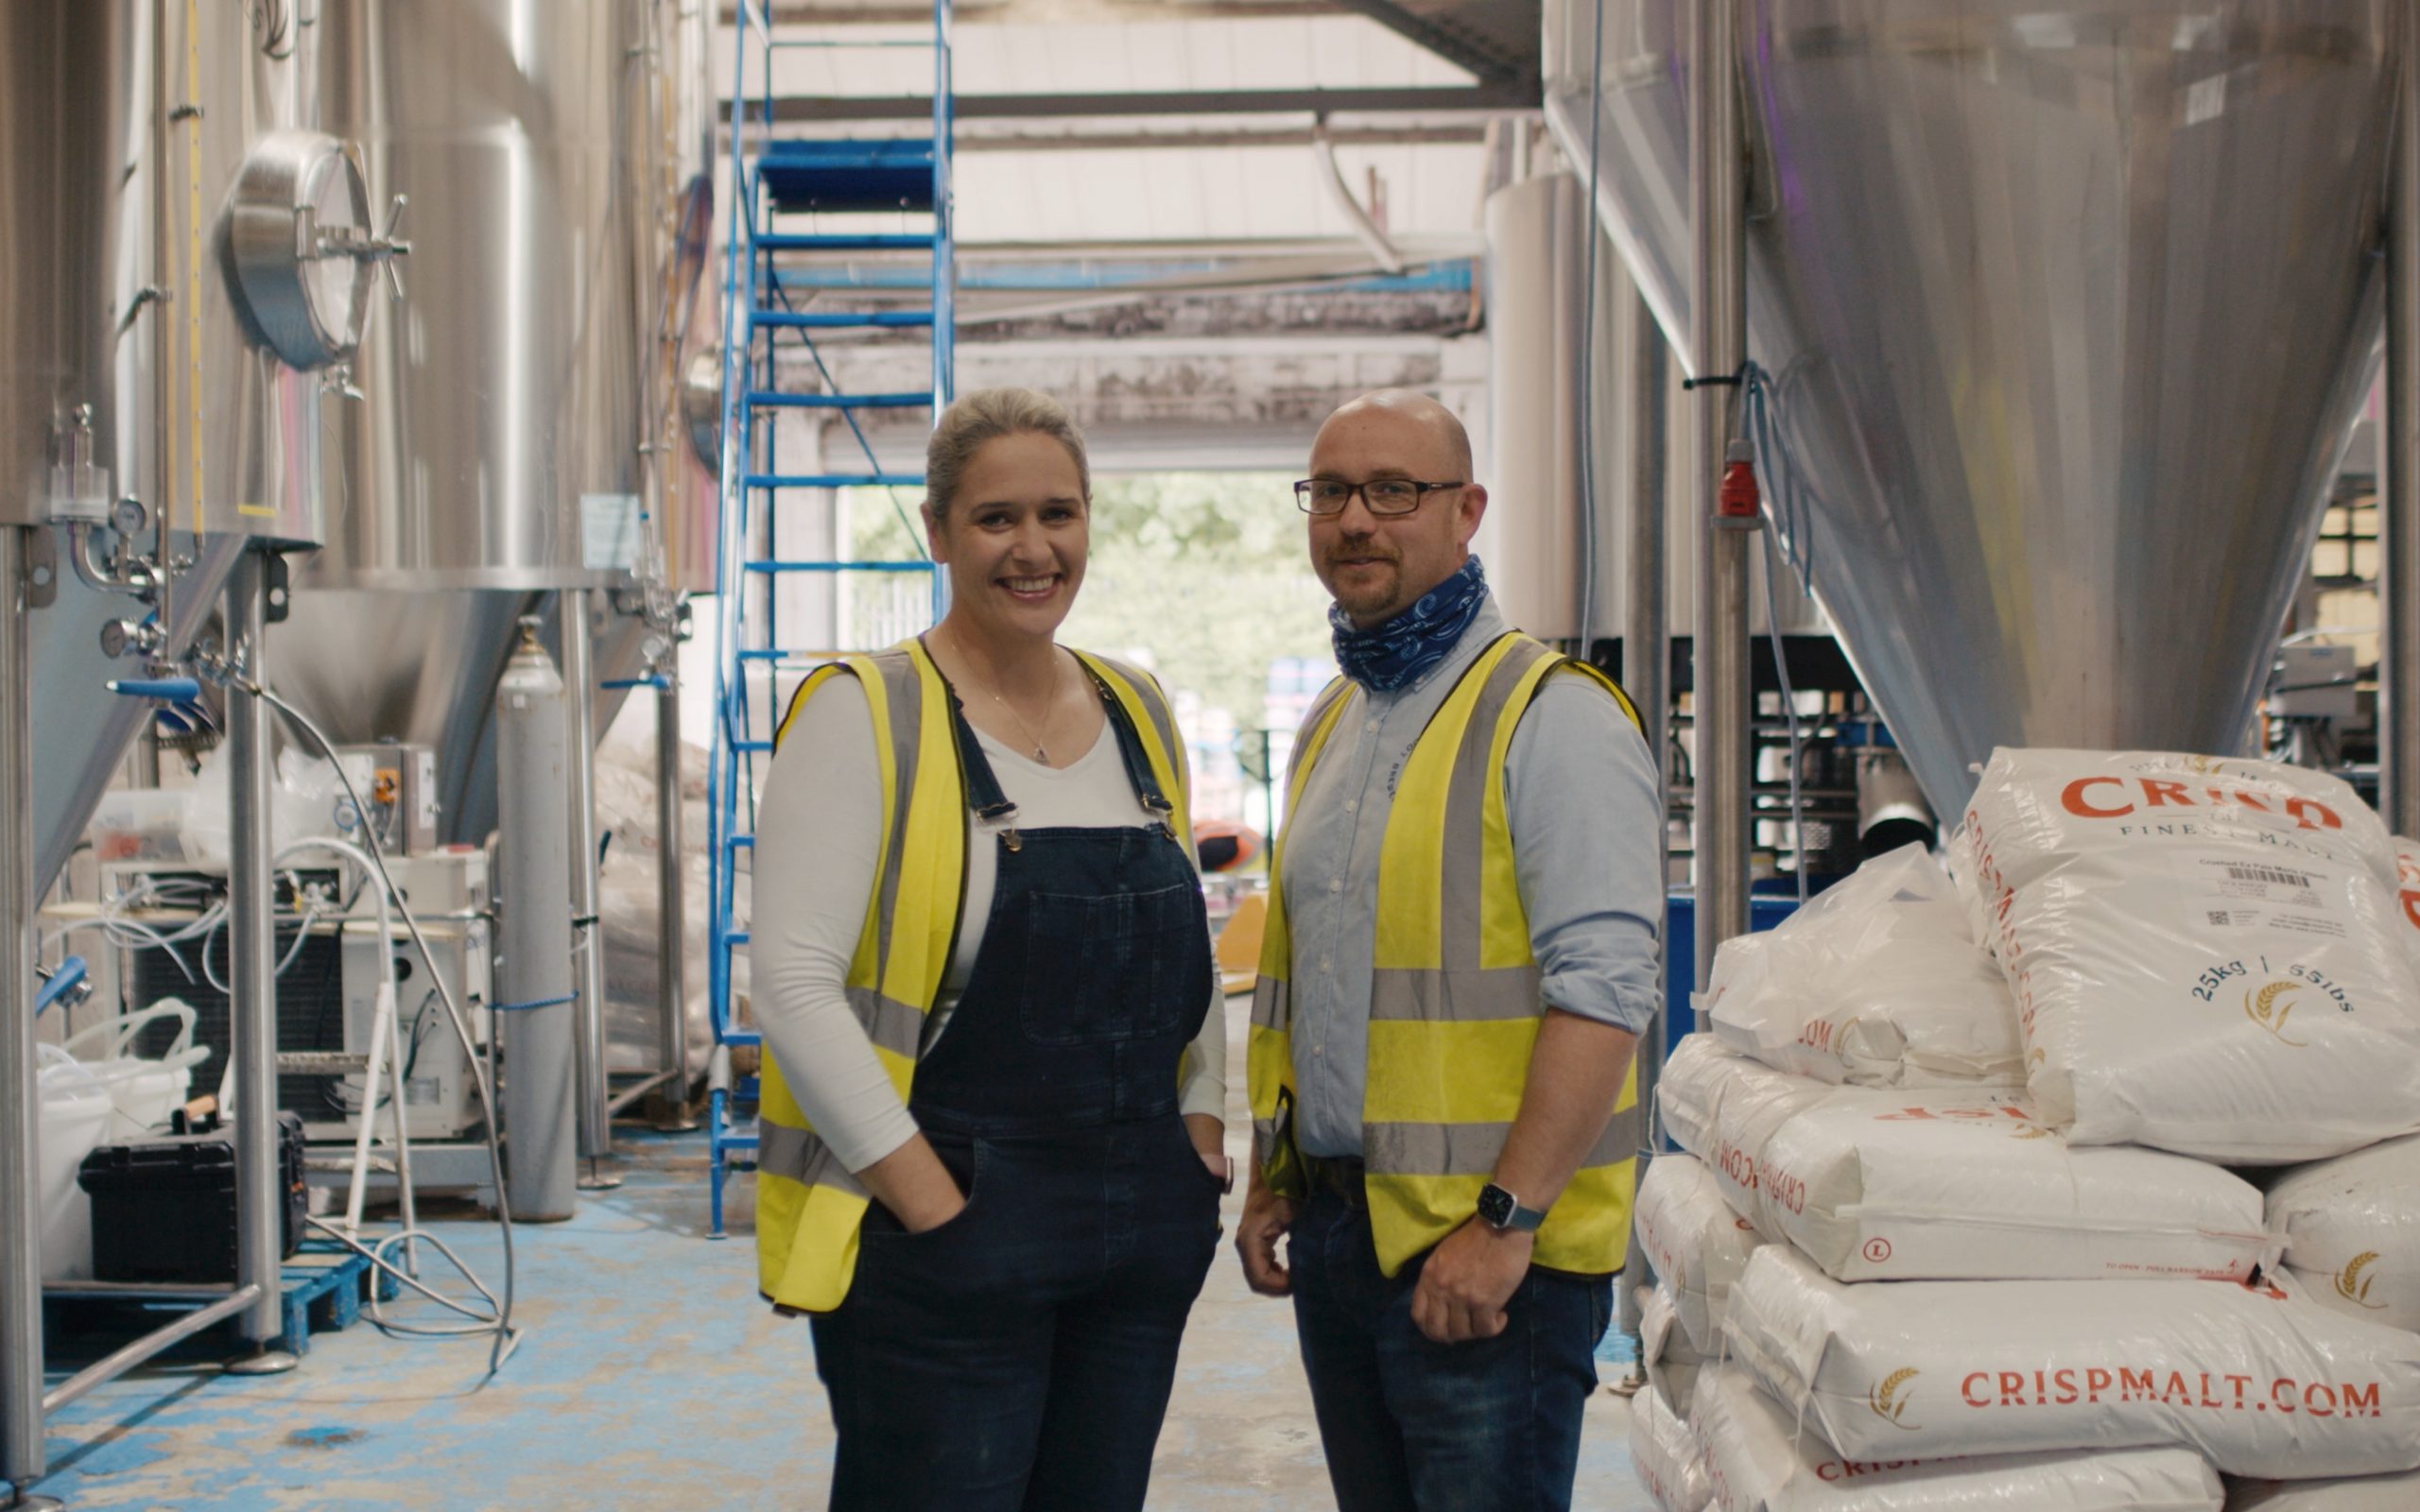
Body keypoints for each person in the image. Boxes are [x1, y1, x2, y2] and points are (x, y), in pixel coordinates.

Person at [752, 387, 1231, 1512]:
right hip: (952, 1211)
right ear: (936, 532)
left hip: (1137, 1223)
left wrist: (1200, 1132)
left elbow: (1186, 961)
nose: (1033, 549)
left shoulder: (1136, 706)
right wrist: (930, 1205)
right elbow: (792, 984)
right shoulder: (865, 711)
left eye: (1058, 515)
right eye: (995, 519)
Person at [1235, 389, 1663, 1512]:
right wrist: (1280, 1172)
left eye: (1392, 491)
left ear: (1466, 510)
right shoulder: (1335, 721)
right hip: (1342, 1233)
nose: (1354, 521)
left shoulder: (1551, 715)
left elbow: (1608, 993)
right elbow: (1315, 982)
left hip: (1485, 1262)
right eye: (1329, 493)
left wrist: (1505, 1223)